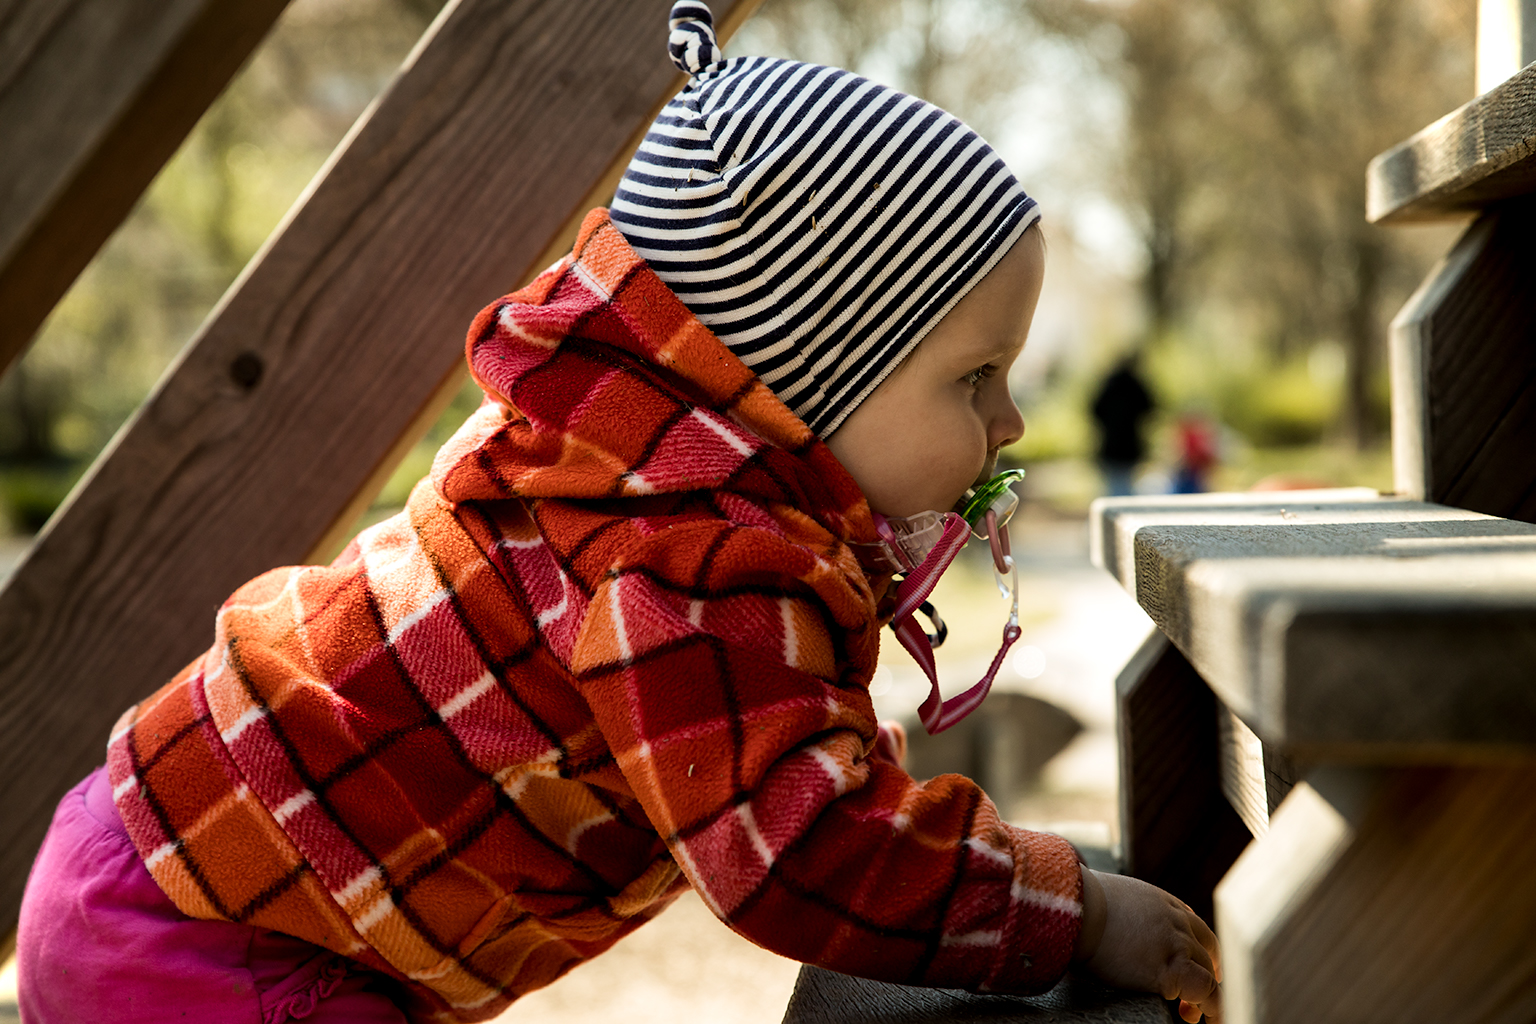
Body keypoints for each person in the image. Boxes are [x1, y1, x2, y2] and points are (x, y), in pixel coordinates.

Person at [17, 5, 1222, 1023]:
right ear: (805, 372)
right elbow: (802, 849)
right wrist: (1071, 909)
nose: (1009, 421)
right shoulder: (691, 564)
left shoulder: (625, 458)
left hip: (160, 855)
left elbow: (790, 764)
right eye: (974, 377)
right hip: (214, 933)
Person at [1090, 353, 1156, 496]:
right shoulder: (1135, 386)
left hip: (1112, 445)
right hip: (1128, 444)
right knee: (1124, 484)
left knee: (1115, 485)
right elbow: (1150, 407)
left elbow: (1094, 409)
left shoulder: (1109, 385)